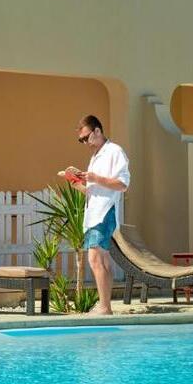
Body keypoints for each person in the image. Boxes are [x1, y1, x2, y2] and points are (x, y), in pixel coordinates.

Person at [70, 115, 130, 315]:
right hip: (95, 213)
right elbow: (96, 191)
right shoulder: (96, 156)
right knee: (102, 260)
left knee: (96, 259)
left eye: (87, 137)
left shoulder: (115, 152)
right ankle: (106, 306)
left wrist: (95, 177)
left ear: (97, 131)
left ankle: (105, 307)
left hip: (105, 212)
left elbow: (122, 184)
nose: (85, 143)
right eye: (81, 140)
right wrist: (79, 186)